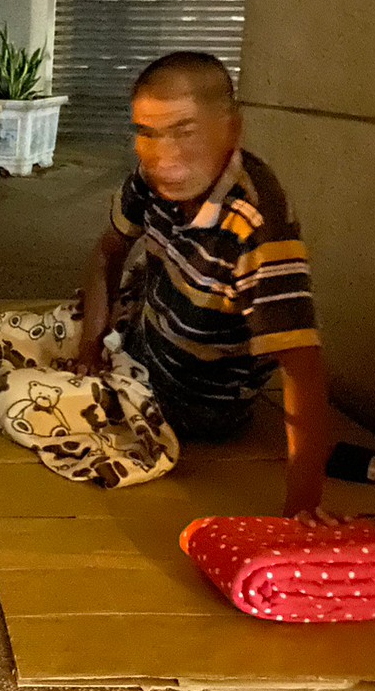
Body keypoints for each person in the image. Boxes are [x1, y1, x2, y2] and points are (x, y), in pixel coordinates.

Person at [78, 51, 330, 519]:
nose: (163, 156)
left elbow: (302, 368)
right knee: (20, 337)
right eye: (147, 133)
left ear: (231, 130)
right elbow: (107, 252)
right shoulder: (149, 179)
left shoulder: (255, 223)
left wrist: (303, 503)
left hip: (195, 403)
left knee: (25, 396)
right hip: (144, 340)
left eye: (184, 132)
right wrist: (89, 350)